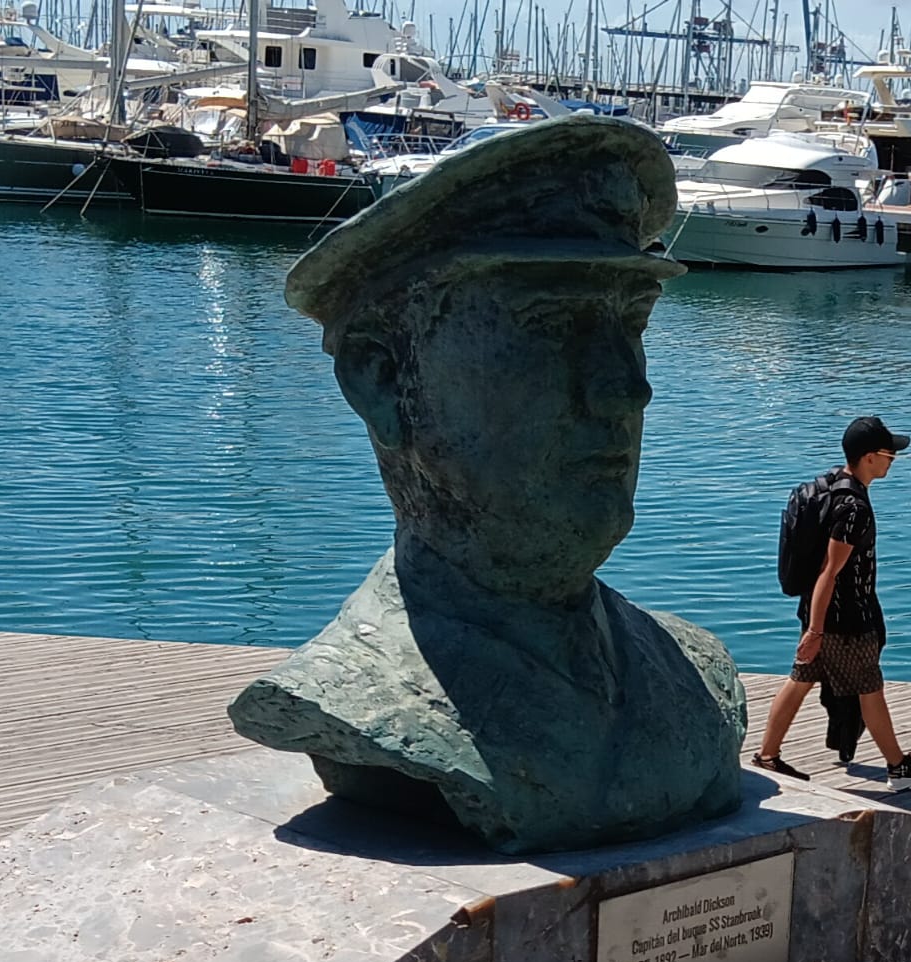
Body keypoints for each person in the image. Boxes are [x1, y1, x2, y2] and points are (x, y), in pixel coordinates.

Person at [231, 115, 747, 855]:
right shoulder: (351, 693)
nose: (626, 388)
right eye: (550, 324)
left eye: (630, 325)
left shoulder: (696, 672)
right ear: (383, 378)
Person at [752, 415, 911, 785]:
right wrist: (816, 631)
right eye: (890, 454)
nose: (894, 460)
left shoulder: (828, 486)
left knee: (799, 680)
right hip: (845, 622)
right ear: (869, 457)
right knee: (870, 688)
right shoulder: (853, 507)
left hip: (819, 612)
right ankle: (899, 767)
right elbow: (830, 571)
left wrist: (813, 625)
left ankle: (767, 755)